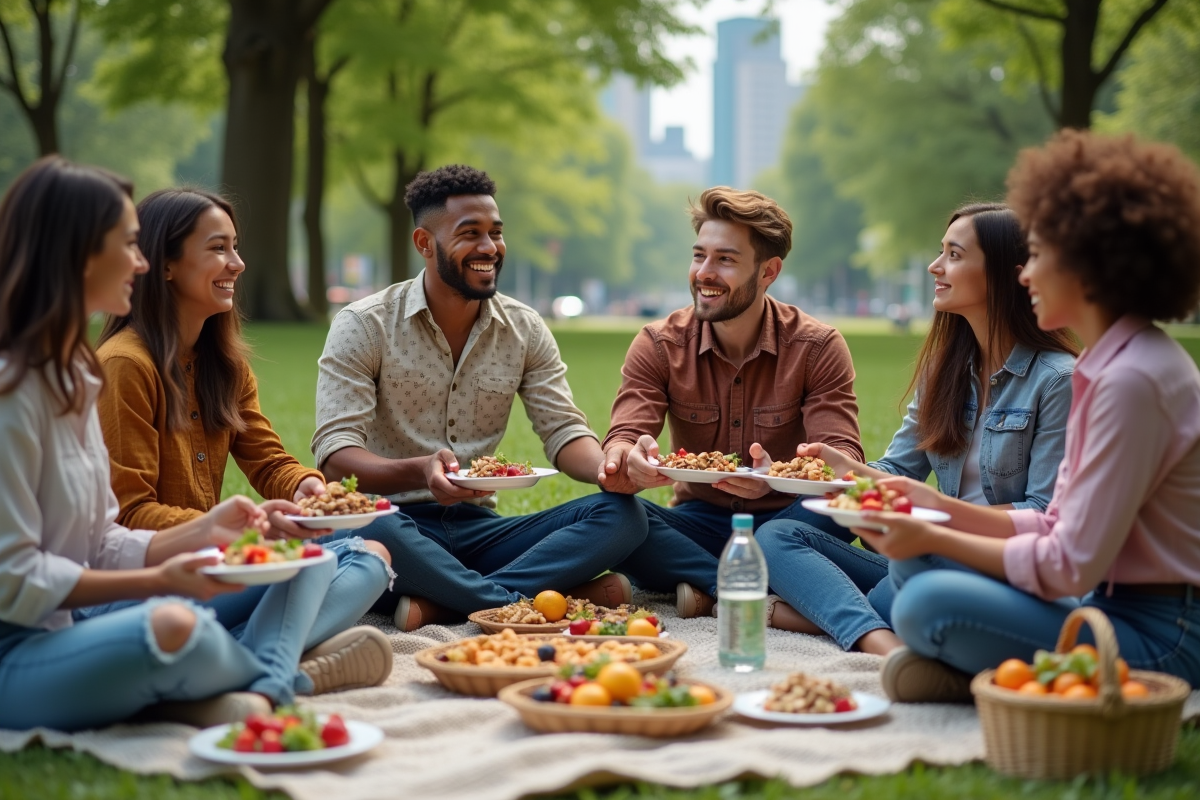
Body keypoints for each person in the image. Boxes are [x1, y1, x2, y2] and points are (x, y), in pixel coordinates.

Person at [858, 131, 1200, 702]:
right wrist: (936, 509)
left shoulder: (1130, 379)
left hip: (1160, 635)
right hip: (1108, 607)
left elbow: (1069, 565)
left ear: (1090, 265)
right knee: (915, 576)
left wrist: (931, 531)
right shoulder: (1112, 364)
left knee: (922, 601)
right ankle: (970, 668)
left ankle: (962, 671)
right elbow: (1055, 521)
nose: (1024, 275)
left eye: (1037, 256)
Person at [0, 157, 335, 731]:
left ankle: (219, 691)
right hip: (19, 652)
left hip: (78, 627)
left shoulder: (73, 378)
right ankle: (282, 680)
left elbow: (102, 538)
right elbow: (16, 579)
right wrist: (160, 580)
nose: (140, 261)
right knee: (176, 625)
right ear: (81, 254)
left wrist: (209, 532)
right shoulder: (17, 392)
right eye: (128, 244)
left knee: (309, 561)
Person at [311, 164, 648, 632]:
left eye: (496, 233)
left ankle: (448, 603)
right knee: (371, 527)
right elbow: (335, 457)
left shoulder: (524, 327)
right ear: (425, 244)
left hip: (480, 529)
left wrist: (608, 469)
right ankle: (516, 602)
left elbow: (564, 430)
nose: (490, 248)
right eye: (471, 233)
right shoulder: (364, 325)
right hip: (399, 526)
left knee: (623, 516)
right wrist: (418, 471)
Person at [87, 188, 393, 696]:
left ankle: (240, 662)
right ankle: (275, 676)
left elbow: (269, 459)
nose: (238, 262)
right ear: (164, 264)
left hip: (214, 567)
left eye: (236, 246)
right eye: (219, 248)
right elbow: (129, 514)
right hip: (148, 584)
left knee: (370, 557)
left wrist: (306, 491)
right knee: (308, 566)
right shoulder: (126, 365)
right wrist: (238, 533)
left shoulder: (223, 366)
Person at [754, 203, 1078, 655]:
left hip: (996, 564)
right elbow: (897, 471)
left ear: (1008, 274)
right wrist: (836, 472)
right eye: (941, 251)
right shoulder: (945, 372)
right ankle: (874, 631)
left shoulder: (1058, 380)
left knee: (894, 591)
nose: (935, 266)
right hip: (925, 556)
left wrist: (937, 519)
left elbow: (1043, 513)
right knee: (775, 537)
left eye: (954, 254)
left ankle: (820, 619)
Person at [599, 186, 863, 617]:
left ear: (768, 271)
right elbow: (625, 436)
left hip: (791, 520)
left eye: (725, 259)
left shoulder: (817, 346)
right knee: (612, 517)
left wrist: (774, 478)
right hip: (698, 522)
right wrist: (627, 459)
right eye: (699, 255)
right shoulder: (659, 344)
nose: (704, 272)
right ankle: (761, 591)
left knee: (838, 508)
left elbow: (844, 460)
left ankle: (709, 586)